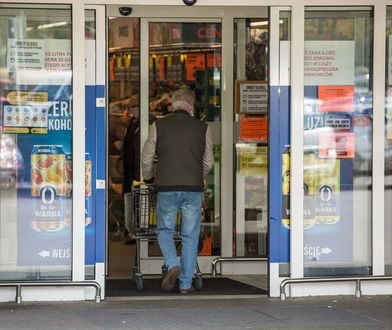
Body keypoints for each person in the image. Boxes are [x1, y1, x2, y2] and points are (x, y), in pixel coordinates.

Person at [141, 88, 214, 293]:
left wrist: (149, 178)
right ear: (191, 107)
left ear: (172, 105)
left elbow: (147, 157)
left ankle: (172, 263)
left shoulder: (158, 125)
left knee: (165, 230)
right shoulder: (203, 128)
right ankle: (185, 284)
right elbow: (208, 161)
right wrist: (197, 174)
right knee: (190, 235)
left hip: (167, 187)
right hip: (193, 188)